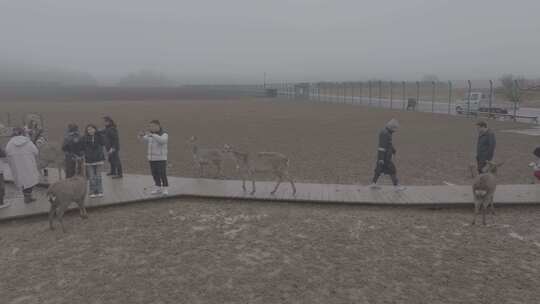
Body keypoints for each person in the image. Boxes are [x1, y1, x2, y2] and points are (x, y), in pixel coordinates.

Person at [369, 119, 406, 191]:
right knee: (392, 170)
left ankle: (373, 184)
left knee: (378, 170)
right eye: (395, 129)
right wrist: (381, 159)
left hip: (384, 157)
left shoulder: (387, 133)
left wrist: (393, 150)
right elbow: (382, 147)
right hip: (385, 158)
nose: (395, 131)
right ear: (391, 127)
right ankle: (396, 186)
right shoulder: (385, 134)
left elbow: (388, 144)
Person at [5, 127, 40, 203]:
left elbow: (7, 153)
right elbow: (36, 152)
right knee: (30, 181)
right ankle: (28, 197)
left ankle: (27, 197)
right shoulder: (28, 142)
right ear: (22, 133)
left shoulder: (10, 143)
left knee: (23, 182)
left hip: (17, 166)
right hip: (29, 164)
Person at [138, 120, 169, 195]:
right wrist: (140, 135)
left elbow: (162, 141)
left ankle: (165, 189)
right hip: (151, 159)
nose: (150, 128)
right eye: (150, 126)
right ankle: (158, 187)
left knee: (162, 173)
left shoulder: (164, 134)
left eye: (152, 126)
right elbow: (142, 140)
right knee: (154, 174)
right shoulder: (151, 135)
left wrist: (153, 135)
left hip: (161, 158)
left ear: (157, 126)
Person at [82, 124, 106, 198]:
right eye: (88, 129)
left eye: (92, 129)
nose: (90, 131)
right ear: (87, 131)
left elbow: (104, 142)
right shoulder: (84, 138)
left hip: (98, 159)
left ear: (95, 129)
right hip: (89, 160)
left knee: (98, 176)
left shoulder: (99, 137)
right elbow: (81, 147)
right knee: (91, 177)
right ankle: (92, 192)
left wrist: (100, 134)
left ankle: (99, 191)